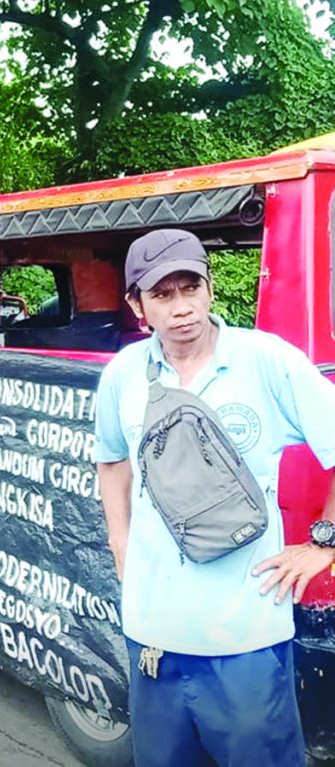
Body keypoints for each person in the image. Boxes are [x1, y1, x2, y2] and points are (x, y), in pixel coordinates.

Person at [93, 229, 335, 767]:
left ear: (209, 288)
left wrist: (324, 540)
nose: (182, 308)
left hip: (247, 635)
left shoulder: (266, 360)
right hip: (154, 633)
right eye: (162, 295)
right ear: (137, 305)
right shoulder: (124, 374)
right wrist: (120, 539)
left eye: (190, 288)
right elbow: (111, 458)